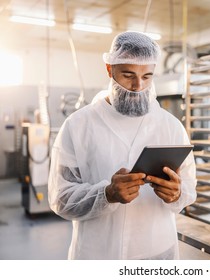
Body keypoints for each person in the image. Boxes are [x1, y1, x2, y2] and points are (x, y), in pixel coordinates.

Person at [48, 31, 197, 260]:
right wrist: (106, 194)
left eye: (147, 76)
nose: (138, 86)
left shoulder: (171, 126)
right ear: (110, 70)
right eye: (128, 75)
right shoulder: (78, 126)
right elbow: (61, 198)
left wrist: (177, 193)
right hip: (97, 255)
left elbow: (189, 188)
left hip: (156, 254)